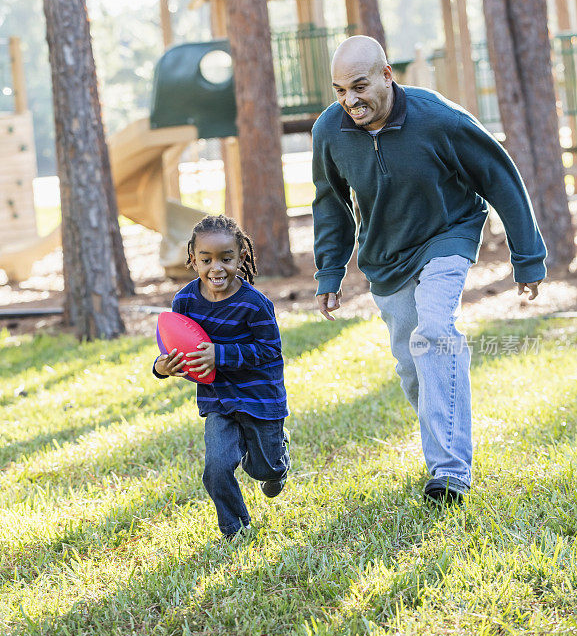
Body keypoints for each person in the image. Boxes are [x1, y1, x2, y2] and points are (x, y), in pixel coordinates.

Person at [312, 35, 546, 504]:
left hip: (449, 232)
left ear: (386, 76)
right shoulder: (329, 132)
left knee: (435, 332)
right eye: (340, 90)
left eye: (359, 86)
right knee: (412, 366)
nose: (350, 101)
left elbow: (499, 176)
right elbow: (330, 204)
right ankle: (445, 435)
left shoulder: (437, 117)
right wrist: (329, 273)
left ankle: (449, 474)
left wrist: (527, 255)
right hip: (385, 255)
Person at [153, 214, 290, 539]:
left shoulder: (254, 304)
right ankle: (235, 528)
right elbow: (178, 347)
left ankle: (279, 458)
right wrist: (162, 367)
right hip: (218, 399)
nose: (216, 268)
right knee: (216, 467)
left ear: (241, 257)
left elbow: (269, 351)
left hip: (259, 398)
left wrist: (220, 354)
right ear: (192, 260)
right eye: (206, 259)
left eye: (226, 259)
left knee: (263, 469)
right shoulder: (184, 301)